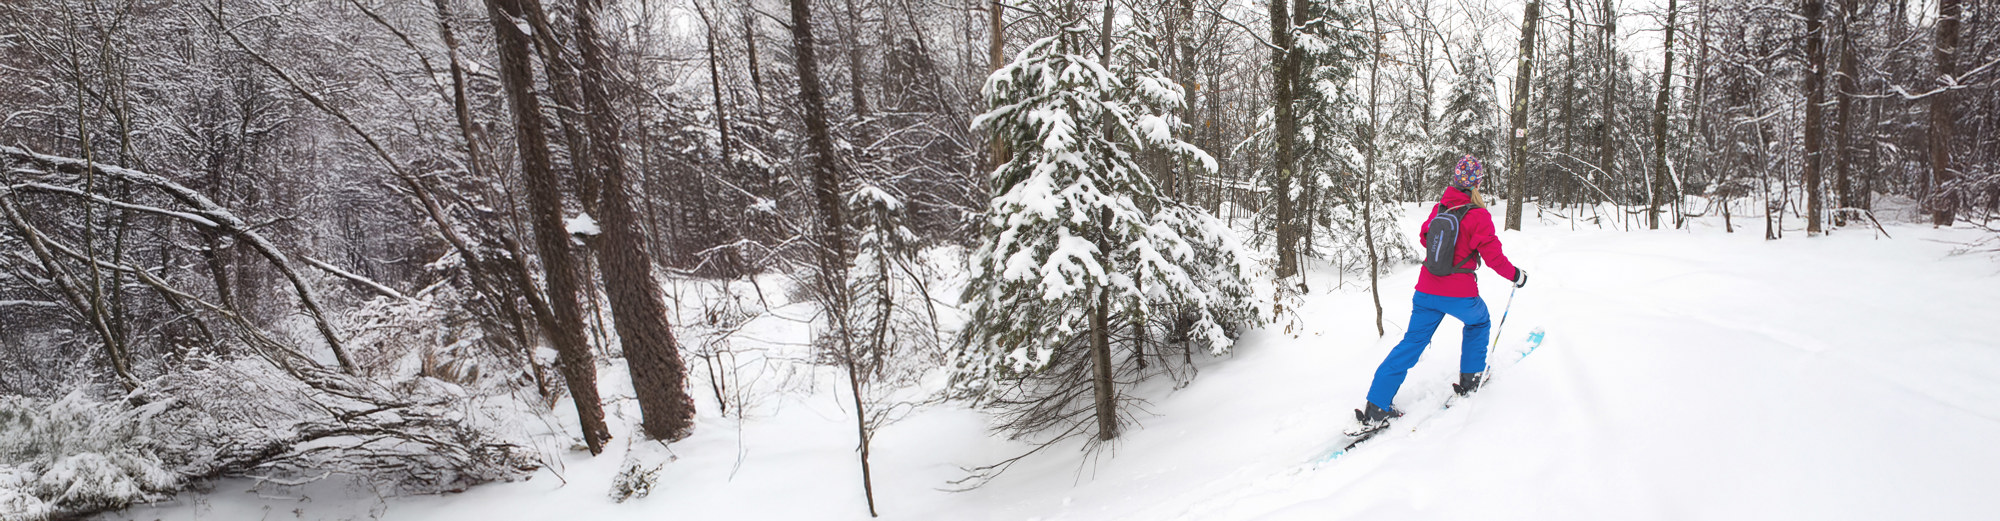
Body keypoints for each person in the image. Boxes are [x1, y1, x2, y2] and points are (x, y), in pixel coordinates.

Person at [1358, 154, 1527, 425]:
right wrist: (1516, 275)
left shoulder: (1440, 209)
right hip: (1460, 294)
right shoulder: (1479, 215)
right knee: (1479, 322)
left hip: (1426, 290)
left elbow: (1425, 236)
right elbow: (1494, 258)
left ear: (1455, 179)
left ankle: (1376, 404)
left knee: (1412, 343)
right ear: (1477, 183)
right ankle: (1471, 378)